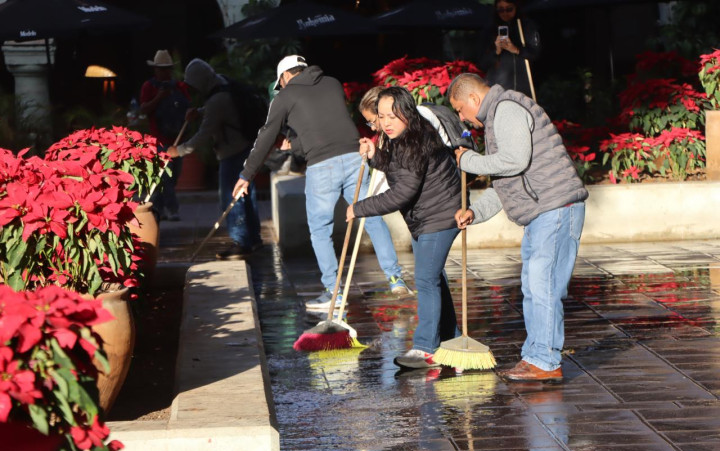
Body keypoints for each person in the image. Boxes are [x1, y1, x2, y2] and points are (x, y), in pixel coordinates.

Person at [232, 55, 412, 310]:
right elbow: (326, 126)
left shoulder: (283, 97)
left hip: (322, 166)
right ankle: (396, 279)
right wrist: (295, 145)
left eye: (280, 83)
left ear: (284, 77)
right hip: (354, 157)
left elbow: (266, 136)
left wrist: (246, 175)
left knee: (320, 230)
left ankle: (334, 293)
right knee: (371, 217)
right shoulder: (332, 83)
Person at [448, 73, 587, 382]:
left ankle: (546, 363)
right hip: (541, 214)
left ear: (473, 99)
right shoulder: (497, 117)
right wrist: (475, 211)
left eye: (459, 109)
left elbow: (513, 161)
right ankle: (535, 356)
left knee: (543, 287)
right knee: (532, 287)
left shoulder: (507, 108)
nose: (462, 117)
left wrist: (469, 161)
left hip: (555, 208)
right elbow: (505, 183)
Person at [347, 86, 464, 369]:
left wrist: (359, 208)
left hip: (440, 215)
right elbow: (399, 170)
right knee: (433, 278)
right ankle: (450, 337)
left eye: (392, 116)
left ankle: (426, 348)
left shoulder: (414, 141)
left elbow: (402, 194)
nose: (385, 123)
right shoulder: (404, 137)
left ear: (407, 113)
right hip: (425, 217)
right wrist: (376, 156)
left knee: (425, 279)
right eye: (381, 117)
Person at [167, 58, 262, 260]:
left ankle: (240, 242)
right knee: (247, 195)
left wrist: (178, 151)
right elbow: (219, 110)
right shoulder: (224, 83)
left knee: (231, 196)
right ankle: (253, 239)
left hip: (233, 152)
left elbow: (202, 135)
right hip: (247, 147)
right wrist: (199, 112)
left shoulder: (216, 100)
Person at [140, 50, 191, 221]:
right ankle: (171, 209)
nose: (164, 72)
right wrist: (159, 98)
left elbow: (188, 108)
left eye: (167, 68)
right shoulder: (149, 87)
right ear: (155, 70)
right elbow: (144, 109)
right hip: (159, 140)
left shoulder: (180, 87)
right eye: (161, 69)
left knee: (173, 176)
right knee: (165, 175)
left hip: (178, 139)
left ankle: (158, 209)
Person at [480, 0, 541, 99]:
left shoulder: (527, 26)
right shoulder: (489, 30)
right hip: (498, 89)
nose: (505, 13)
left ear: (516, 8)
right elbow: (482, 63)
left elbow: (536, 54)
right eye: (501, 10)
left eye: (509, 9)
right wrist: (496, 52)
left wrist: (517, 50)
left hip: (524, 88)